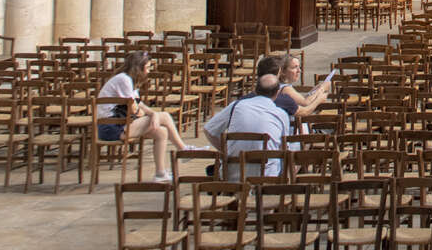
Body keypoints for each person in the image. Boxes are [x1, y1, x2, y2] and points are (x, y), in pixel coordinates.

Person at [98, 51, 188, 183]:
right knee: (165, 116)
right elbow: (134, 110)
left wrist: (153, 114)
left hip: (120, 124)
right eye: (147, 67)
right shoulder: (124, 80)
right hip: (111, 127)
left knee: (162, 132)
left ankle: (160, 173)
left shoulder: (129, 80)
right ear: (138, 68)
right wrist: (152, 116)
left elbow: (138, 104)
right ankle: (183, 149)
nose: (149, 71)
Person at [204, 73, 293, 178]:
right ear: (277, 93)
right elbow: (284, 147)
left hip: (233, 173)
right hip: (266, 175)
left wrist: (226, 151)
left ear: (255, 89)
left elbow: (209, 130)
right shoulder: (281, 114)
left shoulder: (236, 106)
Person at [275, 52, 332, 128]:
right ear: (283, 71)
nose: (299, 71)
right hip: (293, 129)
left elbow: (301, 101)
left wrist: (313, 91)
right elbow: (305, 104)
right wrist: (322, 89)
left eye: (299, 67)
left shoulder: (281, 86)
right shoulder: (285, 89)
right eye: (294, 67)